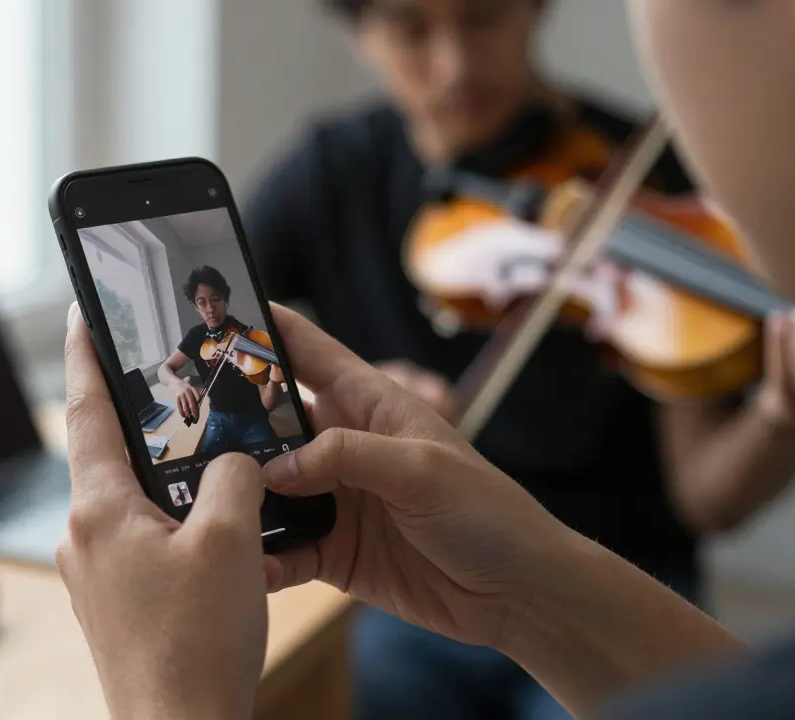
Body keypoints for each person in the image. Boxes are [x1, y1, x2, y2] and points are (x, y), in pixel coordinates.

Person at [56, 0, 795, 718]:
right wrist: (314, 407)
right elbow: (242, 341)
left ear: (535, 10)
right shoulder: (332, 170)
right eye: (411, 28)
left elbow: (709, 499)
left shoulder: (646, 178)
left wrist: (778, 413)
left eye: (484, 17)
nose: (455, 64)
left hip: (625, 574)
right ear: (360, 35)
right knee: (375, 672)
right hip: (415, 563)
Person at [158, 266, 284, 456]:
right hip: (218, 418)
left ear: (226, 300)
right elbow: (164, 369)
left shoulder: (249, 337)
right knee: (205, 464)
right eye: (202, 302)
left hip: (253, 419)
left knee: (274, 460)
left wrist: (274, 380)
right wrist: (177, 384)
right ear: (196, 307)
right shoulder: (196, 336)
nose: (210, 309)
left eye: (216, 299)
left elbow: (268, 404)